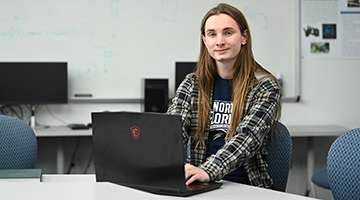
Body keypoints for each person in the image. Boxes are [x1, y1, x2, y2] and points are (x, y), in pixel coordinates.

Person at [167, 3, 282, 189]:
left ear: (243, 37)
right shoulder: (192, 84)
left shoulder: (265, 86)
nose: (219, 41)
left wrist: (208, 171)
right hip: (198, 184)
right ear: (205, 40)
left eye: (228, 33)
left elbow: (247, 138)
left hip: (246, 186)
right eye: (212, 34)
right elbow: (171, 131)